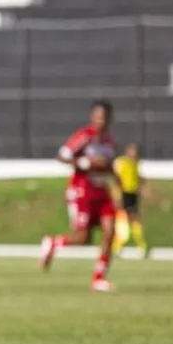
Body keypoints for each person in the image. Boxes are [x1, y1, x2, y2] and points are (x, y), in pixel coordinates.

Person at [39, 100, 119, 292]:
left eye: (105, 117)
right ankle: (53, 242)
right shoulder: (84, 137)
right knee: (83, 238)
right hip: (82, 190)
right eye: (99, 116)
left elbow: (110, 166)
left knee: (110, 231)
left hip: (101, 191)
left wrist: (119, 185)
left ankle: (99, 278)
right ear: (92, 117)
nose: (102, 120)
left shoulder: (110, 143)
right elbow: (62, 156)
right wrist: (86, 162)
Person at [112, 142, 149, 258]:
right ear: (127, 151)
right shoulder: (121, 162)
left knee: (135, 219)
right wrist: (117, 196)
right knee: (123, 220)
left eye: (135, 151)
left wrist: (143, 187)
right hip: (124, 194)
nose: (134, 153)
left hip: (133, 194)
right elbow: (116, 179)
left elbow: (137, 178)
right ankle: (117, 246)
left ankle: (141, 246)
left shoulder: (136, 163)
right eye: (132, 151)